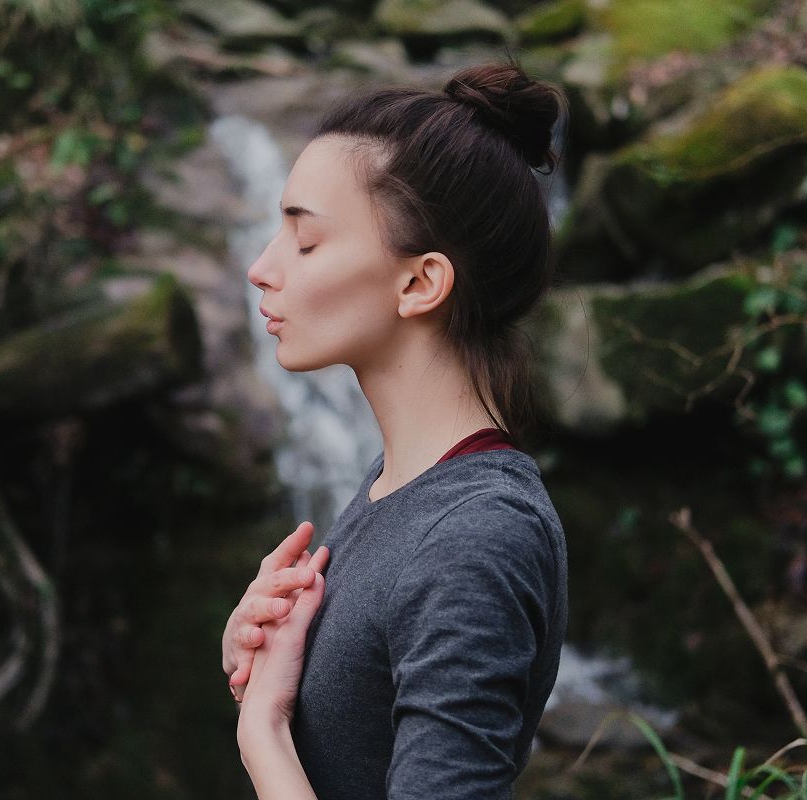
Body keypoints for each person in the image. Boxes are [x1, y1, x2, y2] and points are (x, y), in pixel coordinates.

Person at [220, 55, 571, 800]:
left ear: (420, 283)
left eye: (305, 242)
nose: (260, 268)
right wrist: (269, 666)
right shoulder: (398, 488)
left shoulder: (475, 538)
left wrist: (264, 735)